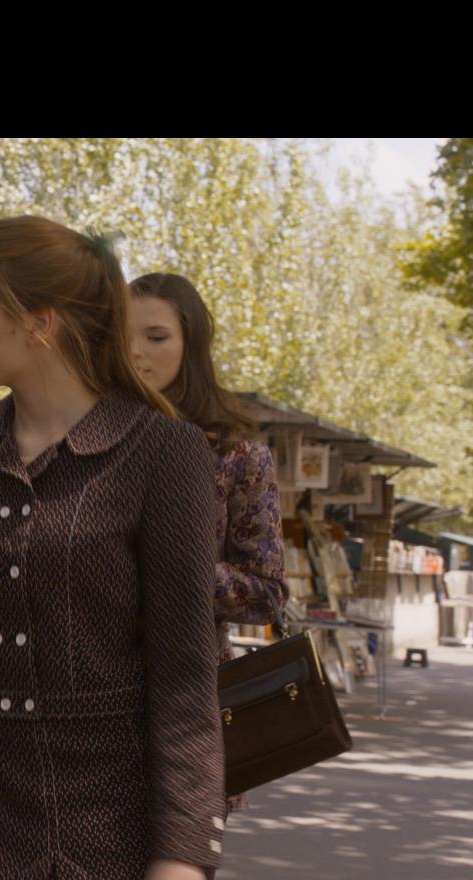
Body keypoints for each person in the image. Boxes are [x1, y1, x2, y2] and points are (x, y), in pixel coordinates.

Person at [0, 216, 229, 880]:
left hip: (111, 833)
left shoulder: (165, 452)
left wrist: (184, 852)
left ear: (38, 323)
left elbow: (184, 673)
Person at [129, 272, 288, 812]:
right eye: (122, 336)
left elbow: (266, 593)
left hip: (186, 709)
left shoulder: (236, 454)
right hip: (76, 707)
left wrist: (175, 568)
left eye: (155, 337)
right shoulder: (79, 437)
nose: (136, 354)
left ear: (191, 344)